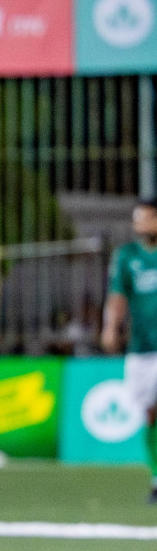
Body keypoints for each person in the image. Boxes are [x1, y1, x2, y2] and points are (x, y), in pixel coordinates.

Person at [100, 198, 157, 502]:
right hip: (142, 348)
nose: (140, 225)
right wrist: (111, 327)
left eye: (146, 218)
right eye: (137, 219)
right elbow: (117, 295)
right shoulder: (127, 256)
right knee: (149, 415)